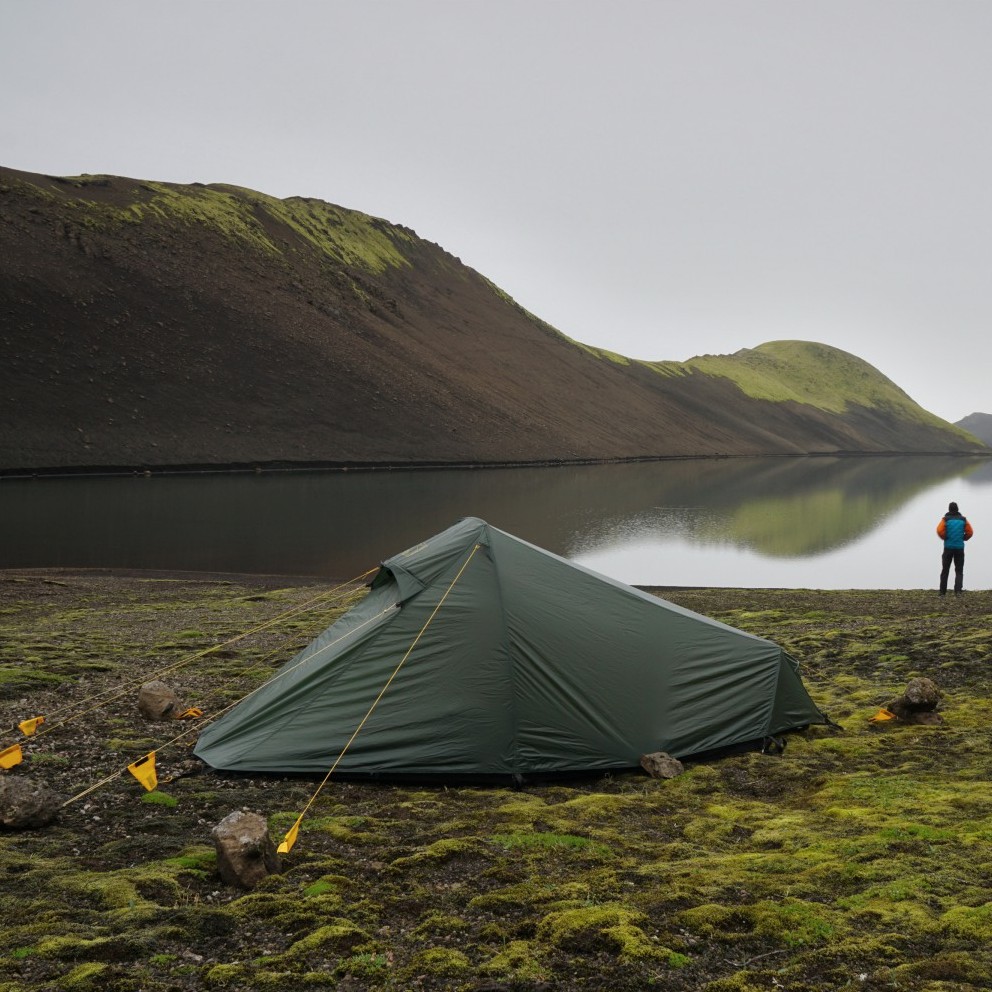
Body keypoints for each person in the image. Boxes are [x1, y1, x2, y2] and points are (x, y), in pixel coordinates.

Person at [937, 501, 973, 595]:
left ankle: (942, 592)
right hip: (959, 548)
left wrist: (945, 537)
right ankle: (958, 591)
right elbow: (970, 532)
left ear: (949, 509)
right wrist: (964, 538)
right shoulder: (963, 520)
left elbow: (939, 530)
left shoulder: (945, 519)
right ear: (957, 509)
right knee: (959, 570)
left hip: (948, 547)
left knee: (945, 569)